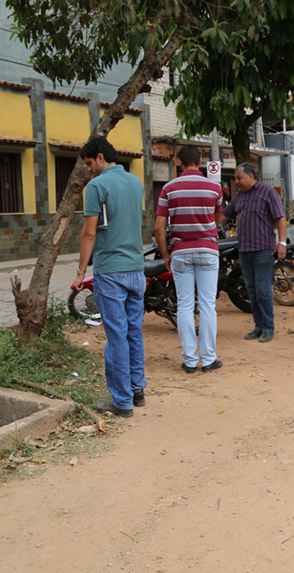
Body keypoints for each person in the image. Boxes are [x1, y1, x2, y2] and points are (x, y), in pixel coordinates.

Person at [72, 136, 146, 418]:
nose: (88, 170)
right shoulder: (136, 182)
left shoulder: (97, 186)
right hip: (136, 271)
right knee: (133, 332)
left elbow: (90, 232)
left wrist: (81, 272)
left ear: (101, 157)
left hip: (111, 272)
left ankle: (122, 402)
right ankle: (137, 390)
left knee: (116, 337)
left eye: (89, 163)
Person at [154, 145, 224, 374]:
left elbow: (159, 226)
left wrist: (166, 254)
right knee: (207, 306)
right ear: (201, 160)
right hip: (207, 251)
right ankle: (209, 359)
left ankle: (190, 361)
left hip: (180, 252)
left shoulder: (168, 188)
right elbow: (218, 217)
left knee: (184, 306)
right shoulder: (215, 187)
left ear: (179, 162)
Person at [218, 162, 286, 343]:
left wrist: (282, 243)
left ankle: (268, 327)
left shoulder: (268, 192)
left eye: (239, 178)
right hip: (244, 251)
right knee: (252, 291)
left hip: (263, 250)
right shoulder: (239, 197)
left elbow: (280, 217)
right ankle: (258, 326)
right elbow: (224, 214)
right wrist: (206, 220)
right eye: (235, 178)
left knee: (263, 290)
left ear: (251, 176)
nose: (236, 182)